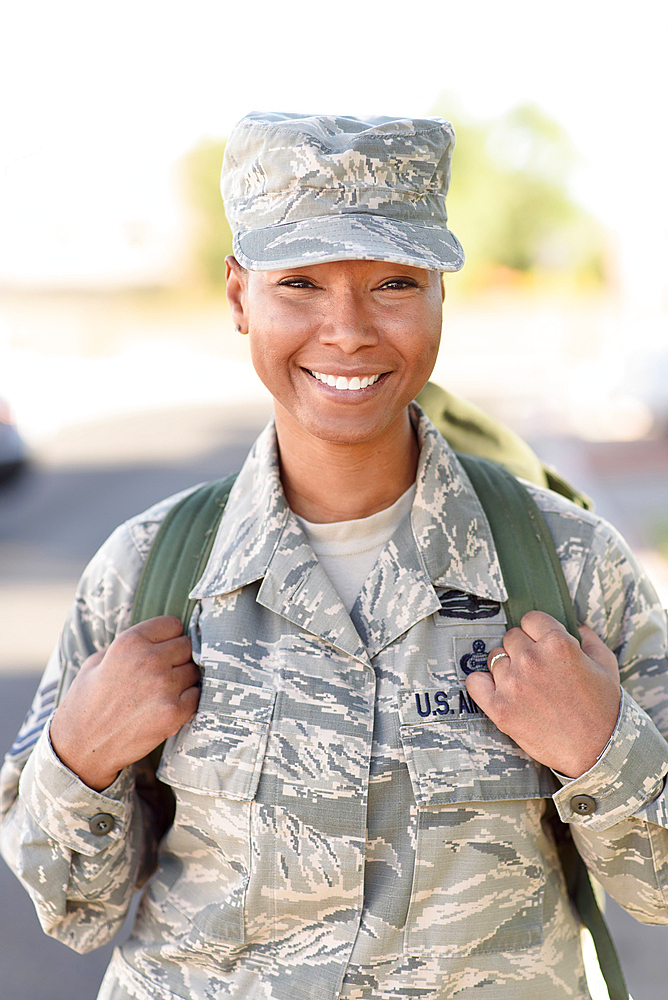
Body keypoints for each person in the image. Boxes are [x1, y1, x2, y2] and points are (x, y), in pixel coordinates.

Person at [1, 112, 668, 1000]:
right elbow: (69, 905)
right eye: (302, 284)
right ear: (240, 298)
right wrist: (78, 754)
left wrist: (602, 748)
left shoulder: (567, 565)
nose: (348, 330)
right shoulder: (150, 571)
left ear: (440, 295)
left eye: (393, 282)